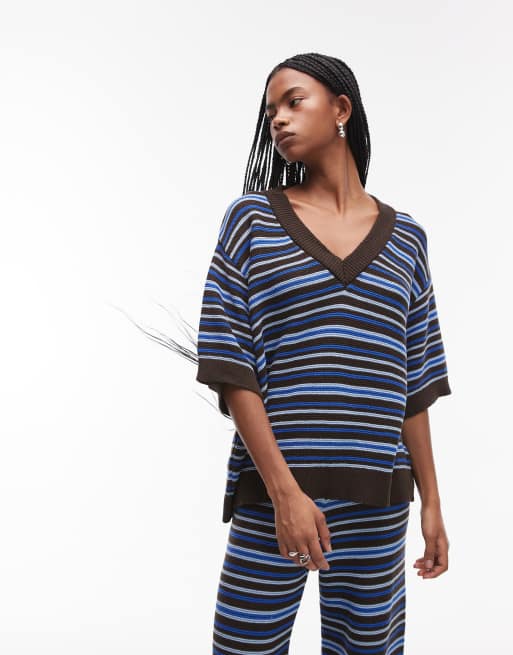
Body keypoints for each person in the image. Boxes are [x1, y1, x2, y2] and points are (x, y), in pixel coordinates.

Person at [158, 52, 452, 655]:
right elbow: (232, 365)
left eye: (294, 101)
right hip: (276, 494)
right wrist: (285, 493)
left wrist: (432, 504)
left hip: (380, 495)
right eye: (271, 111)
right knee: (244, 644)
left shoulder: (407, 239)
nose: (279, 119)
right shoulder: (252, 221)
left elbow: (414, 382)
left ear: (341, 109)